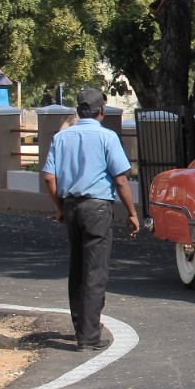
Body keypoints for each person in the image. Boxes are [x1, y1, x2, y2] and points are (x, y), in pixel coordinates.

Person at [41, 86, 139, 351]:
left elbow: (49, 177)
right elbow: (120, 180)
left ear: (77, 110)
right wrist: (132, 213)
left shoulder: (61, 138)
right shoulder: (107, 137)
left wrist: (59, 207)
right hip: (97, 208)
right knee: (95, 271)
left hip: (71, 207)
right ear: (102, 111)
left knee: (77, 268)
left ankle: (80, 329)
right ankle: (89, 338)